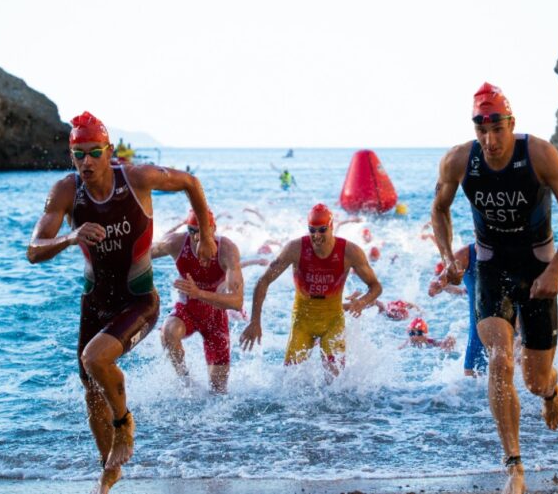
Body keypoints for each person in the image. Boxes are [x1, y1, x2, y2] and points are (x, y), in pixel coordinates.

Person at [26, 112, 216, 494]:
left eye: (95, 152)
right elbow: (33, 249)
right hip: (94, 302)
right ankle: (108, 471)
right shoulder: (66, 191)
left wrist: (207, 236)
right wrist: (70, 237)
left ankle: (124, 424)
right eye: (79, 155)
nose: (87, 162)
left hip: (139, 300)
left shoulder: (137, 178)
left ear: (109, 151)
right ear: (71, 156)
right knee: (90, 387)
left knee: (95, 359)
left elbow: (191, 183)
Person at [430, 83, 558, 494]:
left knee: (534, 380)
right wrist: (448, 257)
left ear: (511, 124)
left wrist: (555, 271)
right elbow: (439, 209)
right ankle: (514, 465)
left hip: (538, 268)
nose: (490, 139)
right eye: (481, 130)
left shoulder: (538, 154)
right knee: (500, 359)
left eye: (497, 129)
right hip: (491, 266)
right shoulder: (458, 161)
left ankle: (551, 390)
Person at [239, 203, 382, 378]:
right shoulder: (295, 249)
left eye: (322, 230)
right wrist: (255, 322)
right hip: (302, 322)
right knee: (290, 381)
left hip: (333, 322)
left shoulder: (350, 252)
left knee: (336, 384)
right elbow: (263, 282)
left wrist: (361, 302)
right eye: (312, 230)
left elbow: (375, 287)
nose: (316, 235)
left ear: (331, 227)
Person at [151, 209, 243, 393]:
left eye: (202, 230)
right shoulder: (176, 243)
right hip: (187, 310)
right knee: (168, 331)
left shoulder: (227, 250)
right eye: (192, 230)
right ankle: (185, 382)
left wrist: (199, 293)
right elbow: (138, 257)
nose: (196, 237)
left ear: (213, 229)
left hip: (216, 317)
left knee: (218, 392)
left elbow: (236, 302)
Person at [429, 245, 487, 376]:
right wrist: (439, 285)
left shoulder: (511, 250)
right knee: (472, 376)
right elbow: (444, 277)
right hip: (479, 328)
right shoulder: (465, 254)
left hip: (512, 322)